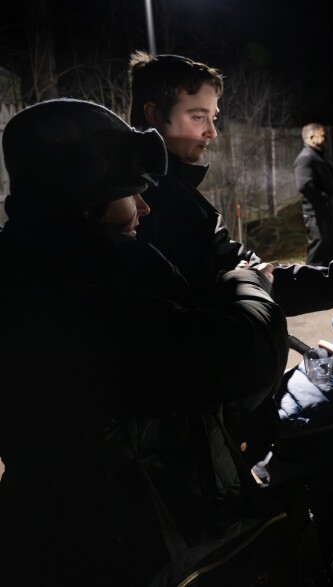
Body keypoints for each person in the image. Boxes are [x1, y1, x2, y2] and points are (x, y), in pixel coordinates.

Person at [0, 99, 293, 584]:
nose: (144, 206)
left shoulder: (28, 268)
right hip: (122, 544)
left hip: (57, 530)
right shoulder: (87, 293)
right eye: (129, 193)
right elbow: (247, 355)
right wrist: (247, 282)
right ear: (83, 201)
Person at [128, 51, 333, 315]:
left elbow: (252, 276)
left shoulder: (159, 192)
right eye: (198, 117)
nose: (212, 132)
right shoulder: (155, 205)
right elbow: (256, 285)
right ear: (153, 114)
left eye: (213, 118)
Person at [295, 122, 333, 265]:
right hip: (318, 216)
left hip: (329, 215)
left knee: (328, 255)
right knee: (318, 257)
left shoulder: (317, 156)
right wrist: (325, 201)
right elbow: (305, 185)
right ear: (311, 137)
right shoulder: (306, 158)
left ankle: (325, 286)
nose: (326, 139)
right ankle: (310, 286)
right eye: (323, 136)